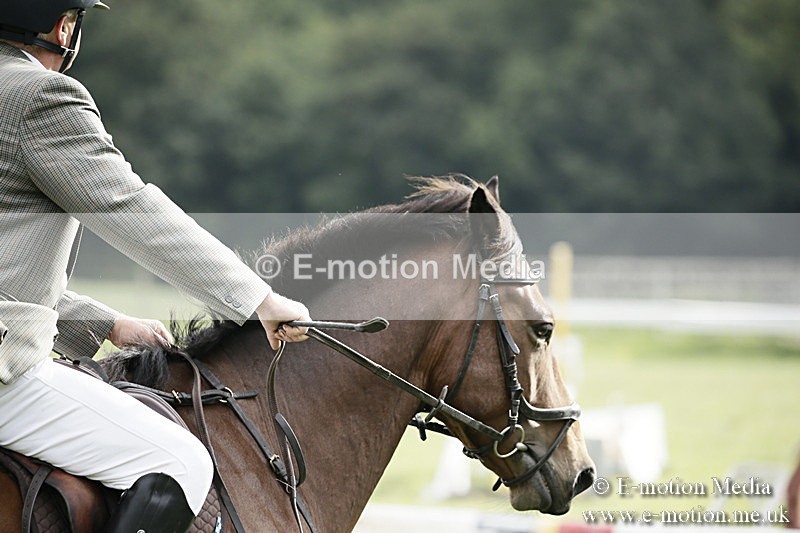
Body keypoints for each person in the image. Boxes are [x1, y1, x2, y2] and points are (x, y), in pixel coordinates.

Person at [0, 1, 311, 531]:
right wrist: (260, 298)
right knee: (181, 462)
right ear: (64, 27)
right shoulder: (38, 96)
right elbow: (129, 207)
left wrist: (105, 323)